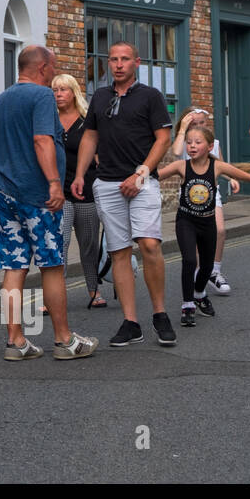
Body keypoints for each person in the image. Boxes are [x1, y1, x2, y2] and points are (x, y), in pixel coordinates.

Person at [0, 46, 97, 360]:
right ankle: (64, 341)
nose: (54, 73)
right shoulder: (42, 97)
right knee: (51, 264)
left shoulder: (2, 99)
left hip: (3, 192)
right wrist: (53, 182)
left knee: (14, 265)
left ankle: (16, 342)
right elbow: (41, 140)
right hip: (37, 195)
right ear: (44, 67)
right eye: (54, 66)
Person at [71, 41, 176, 347]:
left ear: (136, 63)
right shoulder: (100, 97)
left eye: (124, 59)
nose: (118, 64)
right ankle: (131, 322)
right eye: (113, 59)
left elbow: (163, 138)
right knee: (119, 252)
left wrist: (141, 172)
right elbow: (90, 136)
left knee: (149, 244)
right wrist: (80, 174)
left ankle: (159, 314)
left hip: (142, 183)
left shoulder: (150, 96)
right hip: (107, 184)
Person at [156, 124, 250, 327]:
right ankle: (187, 306)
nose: (192, 146)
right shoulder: (181, 167)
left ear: (210, 146)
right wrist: (136, 174)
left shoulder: (217, 167)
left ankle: (199, 293)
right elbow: (154, 176)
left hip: (208, 222)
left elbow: (247, 176)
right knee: (189, 261)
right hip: (186, 221)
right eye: (189, 142)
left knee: (208, 267)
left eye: (197, 142)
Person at [173, 107, 242, 296]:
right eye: (193, 123)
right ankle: (199, 273)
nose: (198, 126)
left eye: (201, 122)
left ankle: (214, 271)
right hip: (191, 196)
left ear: (207, 123)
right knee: (196, 237)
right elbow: (176, 152)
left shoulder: (212, 143)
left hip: (213, 193)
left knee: (219, 230)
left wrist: (232, 178)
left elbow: (221, 166)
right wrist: (183, 128)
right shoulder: (185, 143)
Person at [52, 74, 104, 309]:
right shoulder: (48, 120)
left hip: (86, 191)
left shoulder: (86, 122)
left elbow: (99, 156)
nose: (59, 94)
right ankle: (54, 296)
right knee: (58, 244)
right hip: (58, 193)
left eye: (63, 89)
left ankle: (94, 290)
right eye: (55, 90)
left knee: (89, 245)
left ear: (74, 92)